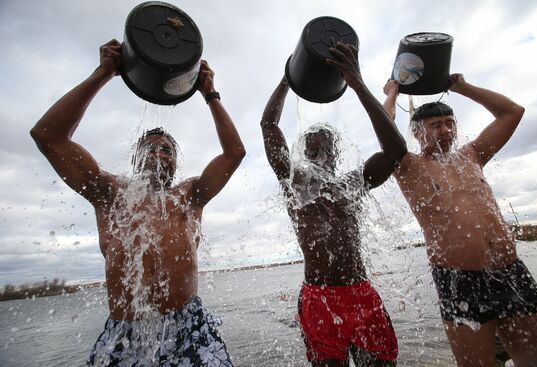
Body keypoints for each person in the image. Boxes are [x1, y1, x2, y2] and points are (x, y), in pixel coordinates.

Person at [30, 39, 245, 366]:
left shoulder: (189, 196)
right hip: (126, 333)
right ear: (135, 158)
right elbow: (48, 135)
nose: (158, 155)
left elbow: (234, 153)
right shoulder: (111, 194)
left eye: (167, 151)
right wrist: (102, 74)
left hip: (190, 328)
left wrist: (210, 93)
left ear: (175, 162)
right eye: (150, 148)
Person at [383, 76, 537, 366]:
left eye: (450, 123)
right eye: (436, 125)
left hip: (510, 271)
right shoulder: (408, 166)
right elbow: (383, 129)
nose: (446, 130)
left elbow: (513, 112)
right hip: (460, 280)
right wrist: (392, 92)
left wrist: (461, 87)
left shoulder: (471, 155)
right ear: (417, 132)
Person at [261, 42, 407, 367]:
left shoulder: (353, 183)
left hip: (361, 294)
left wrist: (356, 82)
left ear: (337, 155)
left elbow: (396, 151)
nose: (320, 154)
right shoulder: (294, 183)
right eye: (312, 150)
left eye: (327, 148)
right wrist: (289, 77)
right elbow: (269, 126)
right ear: (302, 155)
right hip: (319, 298)